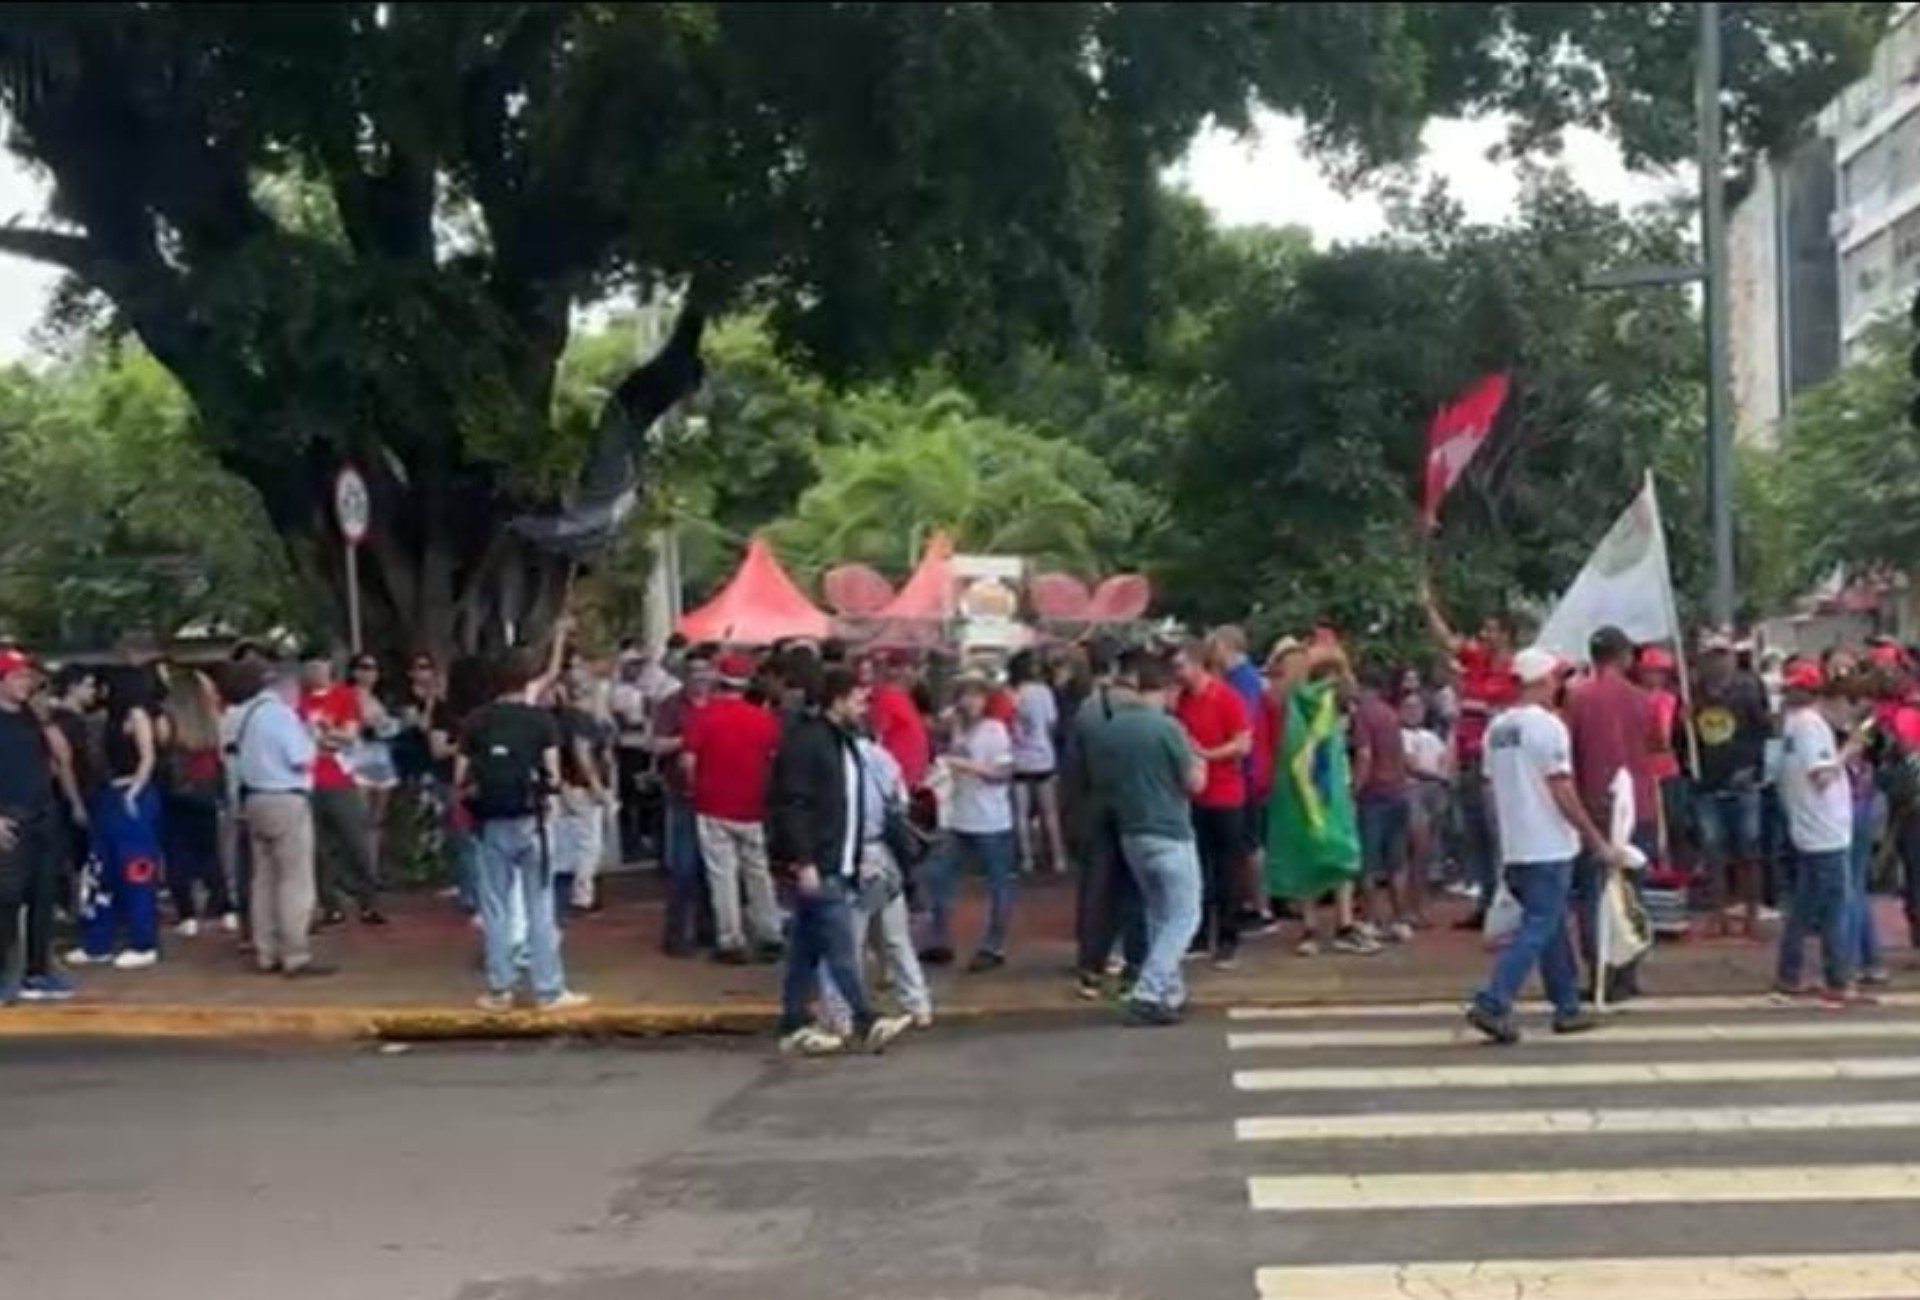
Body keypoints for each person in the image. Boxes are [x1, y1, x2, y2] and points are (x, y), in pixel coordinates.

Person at [1466, 648, 1616, 1045]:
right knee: (1540, 927)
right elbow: (1561, 788)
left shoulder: (1496, 730)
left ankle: (1566, 1005)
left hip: (1517, 844)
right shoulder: (1548, 728)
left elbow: (1488, 789)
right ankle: (1494, 1000)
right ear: (1545, 681)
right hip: (1548, 843)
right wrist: (1594, 837)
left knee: (1548, 927)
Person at [765, 666, 914, 1056]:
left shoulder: (840, 741)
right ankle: (865, 1019)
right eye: (858, 699)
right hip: (823, 862)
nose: (864, 707)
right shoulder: (810, 743)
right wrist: (804, 859)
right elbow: (794, 804)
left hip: (837, 861)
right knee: (840, 946)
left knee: (807, 950)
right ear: (838, 699)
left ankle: (793, 1021)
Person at [458, 649, 589, 1012]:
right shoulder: (541, 722)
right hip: (533, 822)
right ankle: (549, 989)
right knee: (540, 906)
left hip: (489, 823)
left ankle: (500, 988)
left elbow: (460, 777)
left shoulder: (476, 721)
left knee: (496, 907)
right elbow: (554, 775)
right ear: (528, 680)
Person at [1082, 650, 1206, 1027]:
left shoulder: (1110, 729)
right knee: (1185, 915)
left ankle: (1170, 991)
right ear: (1166, 689)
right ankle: (1150, 991)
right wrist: (1200, 761)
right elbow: (1193, 783)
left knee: (1157, 914)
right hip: (1170, 829)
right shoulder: (1167, 728)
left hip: (1131, 831)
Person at [1563, 625, 1658, 1001]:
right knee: (1632, 893)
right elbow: (1656, 744)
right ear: (1624, 656)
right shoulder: (1642, 699)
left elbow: (1571, 752)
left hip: (1594, 807)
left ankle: (1601, 971)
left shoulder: (1577, 699)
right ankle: (1628, 972)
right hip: (1638, 805)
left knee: (1594, 894)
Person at [816, 731, 934, 1033]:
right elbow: (901, 801)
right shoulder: (883, 758)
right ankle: (917, 1004)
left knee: (847, 942)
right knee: (896, 937)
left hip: (853, 860)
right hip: (884, 857)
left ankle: (841, 1015)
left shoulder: (835, 762)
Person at [1420, 573, 1517, 927]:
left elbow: (1508, 712)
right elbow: (1447, 640)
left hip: (1497, 764)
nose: (1484, 636)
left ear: (1506, 634)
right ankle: (1485, 898)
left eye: (1492, 630)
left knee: (1496, 834)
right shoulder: (1477, 662)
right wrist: (1428, 604)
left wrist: (1477, 708)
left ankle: (1505, 903)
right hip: (1469, 759)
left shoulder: (1514, 671)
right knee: (1473, 832)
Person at [230, 659, 333, 977]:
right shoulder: (281, 715)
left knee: (263, 878)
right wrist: (312, 737)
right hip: (285, 797)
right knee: (294, 879)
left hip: (254, 798)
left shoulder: (242, 715)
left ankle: (266, 950)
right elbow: (300, 759)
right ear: (288, 687)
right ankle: (294, 953)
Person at [681, 651, 784, 965]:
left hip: (712, 803)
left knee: (722, 875)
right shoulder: (764, 719)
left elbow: (688, 760)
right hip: (753, 804)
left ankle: (730, 939)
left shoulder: (704, 716)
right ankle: (769, 933)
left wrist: (692, 786)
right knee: (758, 872)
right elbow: (774, 760)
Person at [1060, 637, 1149, 1000]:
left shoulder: (1088, 711)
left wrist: (1072, 816)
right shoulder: (1146, 712)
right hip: (1134, 807)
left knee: (1097, 889)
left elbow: (1073, 770)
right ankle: (1134, 966)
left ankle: (1091, 967)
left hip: (1094, 807)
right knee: (1134, 890)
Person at [1773, 660, 1862, 1006]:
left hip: (1811, 827)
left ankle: (1789, 973)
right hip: (1825, 830)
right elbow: (1821, 775)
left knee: (1805, 906)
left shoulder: (1794, 724)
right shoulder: (1810, 725)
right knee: (1833, 909)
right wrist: (1849, 750)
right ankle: (1838, 979)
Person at [920, 673, 1019, 973]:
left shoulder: (995, 731)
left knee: (998, 883)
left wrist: (962, 764)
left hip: (992, 820)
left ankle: (994, 945)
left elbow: (1002, 772)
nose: (970, 701)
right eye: (966, 695)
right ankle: (941, 939)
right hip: (960, 818)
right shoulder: (958, 728)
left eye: (976, 696)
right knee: (939, 877)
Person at [70, 663, 164, 969]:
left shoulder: (136, 714)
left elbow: (148, 755)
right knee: (102, 868)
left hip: (130, 794)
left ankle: (143, 940)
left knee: (136, 869)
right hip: (109, 795)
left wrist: (135, 791)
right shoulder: (107, 719)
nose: (99, 692)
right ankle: (98, 940)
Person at [0, 648, 77, 1003]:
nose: (25, 684)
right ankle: (4, 975)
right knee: (7, 898)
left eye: (27, 678)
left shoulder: (32, 716)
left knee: (43, 895)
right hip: (10, 816)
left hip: (43, 812)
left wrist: (46, 719)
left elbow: (62, 757)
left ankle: (37, 970)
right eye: (17, 677)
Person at [1173, 641, 1251, 967]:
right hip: (1195, 794)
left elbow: (1243, 743)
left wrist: (1207, 754)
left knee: (1227, 869)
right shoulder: (1182, 701)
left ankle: (1229, 937)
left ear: (1196, 664)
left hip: (1226, 793)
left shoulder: (1226, 697)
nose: (1176, 673)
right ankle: (1202, 933)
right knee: (1198, 868)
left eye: (1180, 666)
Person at [1690, 633, 1772, 938]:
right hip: (1707, 783)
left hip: (1743, 781)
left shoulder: (1749, 689)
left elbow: (1764, 732)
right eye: (1712, 655)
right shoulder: (1693, 693)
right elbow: (1680, 740)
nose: (1718, 661)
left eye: (1722, 654)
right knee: (1714, 851)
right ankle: (1718, 914)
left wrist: (1753, 768)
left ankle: (1751, 915)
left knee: (1749, 850)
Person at [299, 650, 386, 928]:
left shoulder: (344, 697)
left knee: (355, 841)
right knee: (318, 848)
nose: (316, 672)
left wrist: (325, 732)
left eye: (320, 666)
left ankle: (368, 900)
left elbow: (349, 735)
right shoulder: (297, 702)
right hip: (309, 779)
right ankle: (329, 904)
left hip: (341, 778)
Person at [158, 666, 237, 937]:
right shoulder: (211, 719)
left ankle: (187, 914)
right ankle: (224, 908)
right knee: (210, 852)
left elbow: (161, 749)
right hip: (206, 789)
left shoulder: (168, 718)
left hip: (176, 791)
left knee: (177, 854)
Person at [650, 650, 712, 956]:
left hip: (715, 795)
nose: (700, 679)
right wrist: (689, 739)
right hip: (682, 795)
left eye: (705, 673)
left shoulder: (717, 705)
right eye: (694, 673)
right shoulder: (671, 706)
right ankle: (675, 935)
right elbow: (657, 744)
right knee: (683, 866)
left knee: (710, 868)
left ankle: (706, 929)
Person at [1351, 662, 1414, 943]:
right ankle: (1400, 920)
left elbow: (1364, 755)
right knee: (1397, 862)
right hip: (1398, 791)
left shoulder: (1364, 715)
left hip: (1374, 793)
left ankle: (1371, 920)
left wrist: (1355, 788)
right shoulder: (1391, 714)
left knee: (1368, 862)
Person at [549, 675, 612, 914]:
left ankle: (571, 890)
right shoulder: (582, 719)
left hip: (568, 783)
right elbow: (582, 753)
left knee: (571, 839)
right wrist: (596, 786)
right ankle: (583, 895)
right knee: (590, 842)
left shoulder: (562, 718)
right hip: (582, 786)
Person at [1008, 648, 1068, 875]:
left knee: (1020, 814)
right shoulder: (1044, 692)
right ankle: (1058, 857)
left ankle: (1026, 859)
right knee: (1050, 813)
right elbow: (1052, 723)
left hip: (1019, 759)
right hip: (1044, 757)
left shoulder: (1012, 694)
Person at [345, 653, 402, 876]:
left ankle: (372, 867)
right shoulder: (348, 696)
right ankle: (358, 868)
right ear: (353, 671)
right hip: (358, 759)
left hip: (381, 758)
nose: (370, 673)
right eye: (364, 668)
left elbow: (387, 727)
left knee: (376, 819)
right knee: (359, 818)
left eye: (373, 668)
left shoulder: (377, 698)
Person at [1402, 688, 1452, 917]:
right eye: (1408, 707)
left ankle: (1420, 904)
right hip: (1414, 790)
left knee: (1429, 850)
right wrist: (1440, 776)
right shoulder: (1401, 735)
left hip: (1434, 791)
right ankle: (1410, 907)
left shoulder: (1431, 736)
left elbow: (1445, 758)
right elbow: (1411, 765)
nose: (1414, 712)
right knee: (1416, 850)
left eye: (1418, 707)